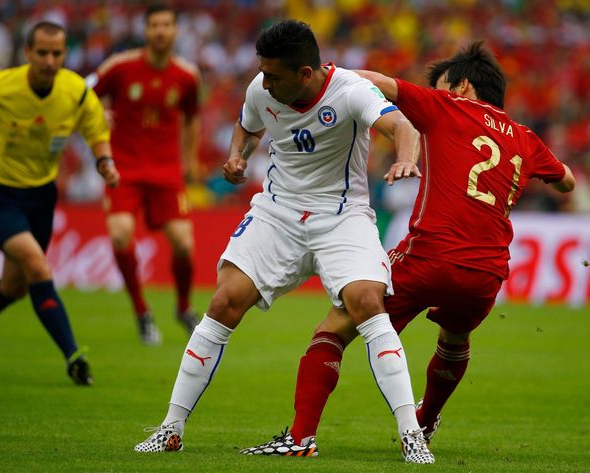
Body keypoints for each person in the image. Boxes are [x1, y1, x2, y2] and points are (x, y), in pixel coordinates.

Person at [241, 41, 576, 456]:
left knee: (333, 329)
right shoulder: (526, 138)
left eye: (441, 85)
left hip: (430, 255)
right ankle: (426, 420)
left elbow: (376, 82)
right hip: (486, 272)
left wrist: (321, 74)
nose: (436, 91)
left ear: (463, 86)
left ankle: (300, 437)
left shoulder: (447, 106)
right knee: (455, 341)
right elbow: (566, 181)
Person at [133, 20, 434, 464]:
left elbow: (402, 126)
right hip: (279, 212)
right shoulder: (262, 88)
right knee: (222, 303)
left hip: (341, 215)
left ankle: (411, 436)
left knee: (368, 302)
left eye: (274, 76)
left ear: (305, 74)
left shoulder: (349, 90)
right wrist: (238, 155)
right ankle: (170, 429)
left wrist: (406, 160)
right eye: (263, 73)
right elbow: (247, 126)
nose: (264, 82)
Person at [0, 21, 120, 386]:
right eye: (42, 53)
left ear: (64, 55)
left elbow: (95, 129)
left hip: (40, 196)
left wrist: (104, 161)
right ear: (27, 54)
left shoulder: (75, 92)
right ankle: (73, 355)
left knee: (14, 286)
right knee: (39, 268)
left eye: (57, 53)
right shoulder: (0, 87)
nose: (50, 61)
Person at [88, 4, 201, 345]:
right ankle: (142, 312)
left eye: (167, 25)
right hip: (124, 167)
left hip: (166, 170)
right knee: (120, 235)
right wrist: (99, 114)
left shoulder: (187, 76)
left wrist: (190, 158)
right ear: (146, 30)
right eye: (155, 25)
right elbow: (83, 97)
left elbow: (192, 117)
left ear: (175, 30)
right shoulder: (120, 67)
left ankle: (183, 307)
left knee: (184, 243)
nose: (161, 31)